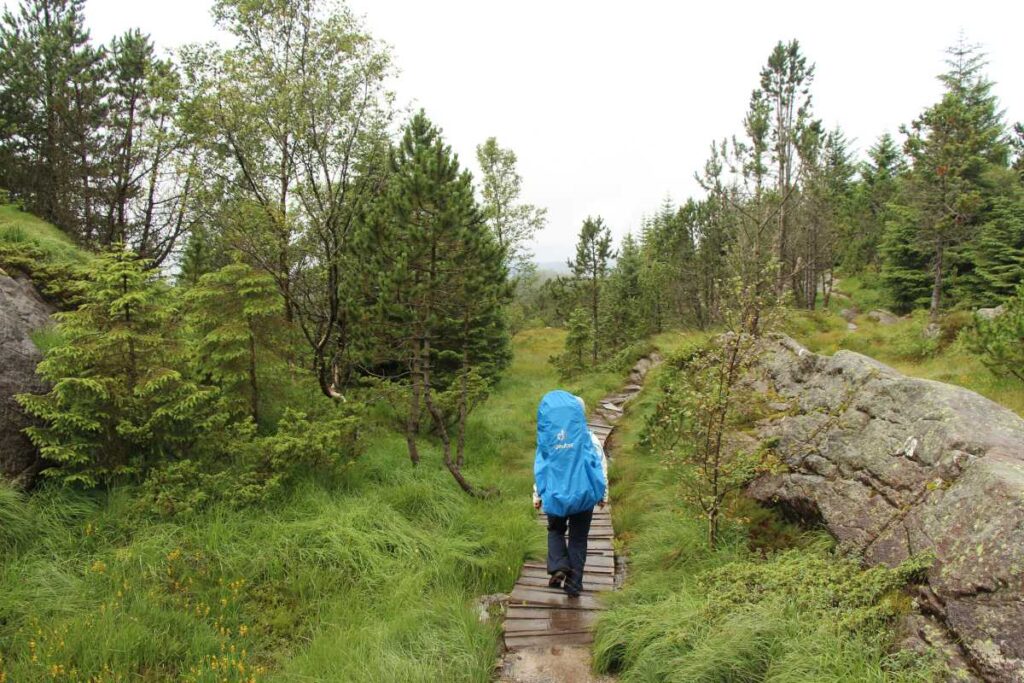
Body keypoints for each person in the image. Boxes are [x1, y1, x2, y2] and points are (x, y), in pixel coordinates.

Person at [532, 391, 609, 598]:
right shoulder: (589, 437)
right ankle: (574, 585)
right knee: (578, 539)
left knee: (555, 530)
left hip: (556, 495)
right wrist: (603, 494)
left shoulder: (548, 438)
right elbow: (600, 466)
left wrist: (537, 495)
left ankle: (558, 565)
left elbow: (541, 467)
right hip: (583, 495)